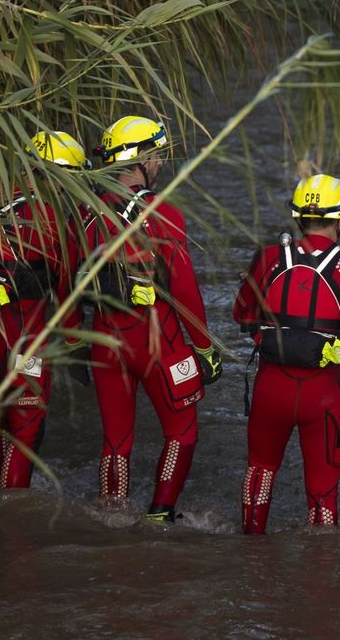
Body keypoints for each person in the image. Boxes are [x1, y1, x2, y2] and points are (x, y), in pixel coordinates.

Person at [80, 115, 220, 522]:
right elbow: (186, 291)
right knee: (182, 431)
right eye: (157, 154)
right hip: (157, 339)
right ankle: (160, 515)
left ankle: (112, 515)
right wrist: (206, 348)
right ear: (142, 158)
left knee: (116, 440)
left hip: (104, 337)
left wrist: (75, 343)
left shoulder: (86, 214)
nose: (160, 163)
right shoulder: (161, 212)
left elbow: (69, 281)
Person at [234, 173, 340, 532]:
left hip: (272, 386)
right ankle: (320, 574)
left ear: (298, 216)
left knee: (260, 470)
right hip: (325, 393)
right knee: (322, 496)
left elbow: (241, 314)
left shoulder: (269, 257)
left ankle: (251, 560)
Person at [0, 130, 87, 489]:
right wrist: (77, 346)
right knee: (28, 422)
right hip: (23, 336)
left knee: (1, 416)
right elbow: (66, 292)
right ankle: (11, 506)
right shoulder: (50, 218)